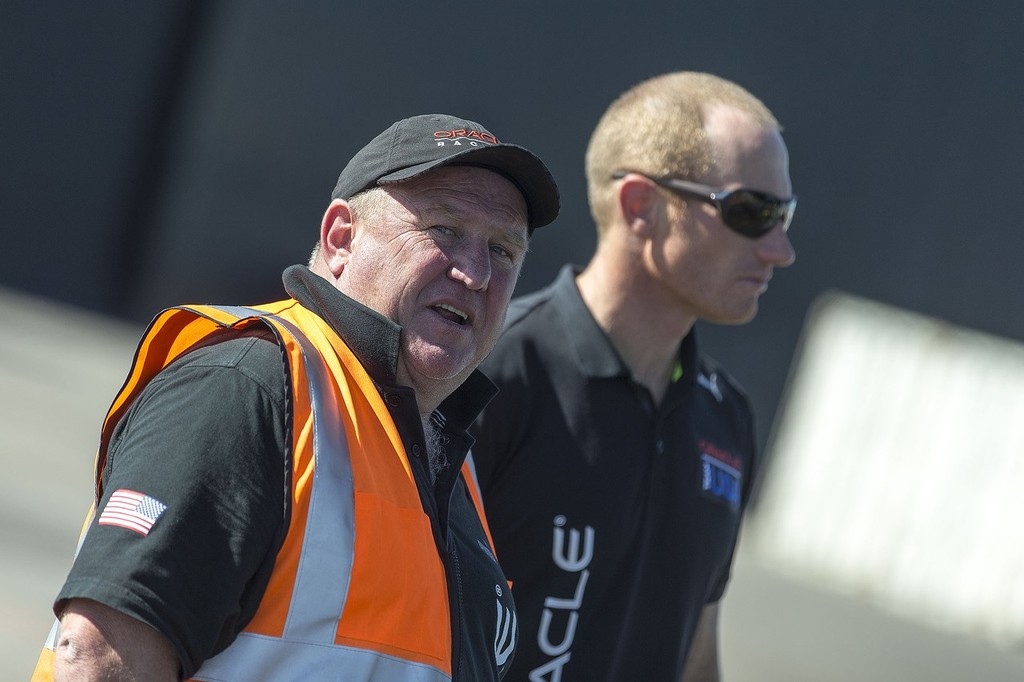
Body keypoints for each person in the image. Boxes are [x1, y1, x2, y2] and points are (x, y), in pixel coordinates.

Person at [32, 113, 560, 682]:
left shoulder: (442, 451)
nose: (476, 273)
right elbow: (100, 655)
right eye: (444, 230)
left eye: (504, 250)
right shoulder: (248, 386)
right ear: (341, 239)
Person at [469, 72, 797, 681]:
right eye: (752, 212)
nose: (780, 249)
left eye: (786, 214)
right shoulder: (492, 371)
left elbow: (696, 654)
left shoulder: (726, 416)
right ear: (640, 207)